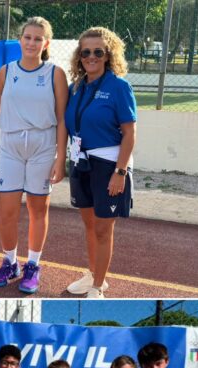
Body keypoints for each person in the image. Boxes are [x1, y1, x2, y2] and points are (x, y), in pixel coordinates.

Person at [0, 16, 67, 294]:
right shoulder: (6, 71)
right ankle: (9, 261)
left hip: (42, 145)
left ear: (46, 43)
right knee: (6, 212)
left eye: (38, 38)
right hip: (11, 145)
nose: (32, 42)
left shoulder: (54, 73)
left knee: (38, 209)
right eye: (27, 37)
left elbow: (62, 119)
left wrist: (61, 158)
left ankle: (33, 265)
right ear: (20, 39)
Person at [65, 27, 137, 298]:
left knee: (104, 227)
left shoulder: (119, 86)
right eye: (86, 52)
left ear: (108, 55)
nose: (91, 57)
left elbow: (130, 133)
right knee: (89, 224)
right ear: (79, 56)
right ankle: (94, 274)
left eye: (98, 52)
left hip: (108, 165)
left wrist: (120, 171)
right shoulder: (77, 87)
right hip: (81, 162)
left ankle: (98, 288)